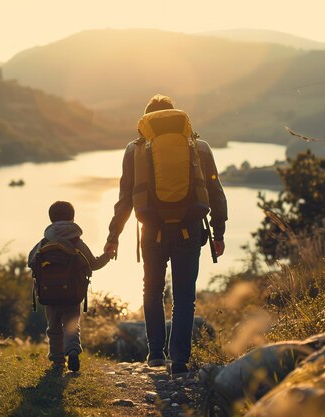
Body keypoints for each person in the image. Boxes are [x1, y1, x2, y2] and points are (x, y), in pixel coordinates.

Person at [104, 95, 227, 377]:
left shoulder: (133, 150)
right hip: (189, 230)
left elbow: (125, 198)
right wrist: (218, 231)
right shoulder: (200, 147)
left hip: (152, 231)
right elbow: (215, 193)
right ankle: (180, 359)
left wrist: (113, 236)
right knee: (185, 296)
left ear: (147, 122)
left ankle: (156, 354)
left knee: (152, 290)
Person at [28, 201, 113, 372]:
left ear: (51, 219)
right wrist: (108, 255)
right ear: (73, 218)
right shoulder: (76, 242)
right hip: (73, 294)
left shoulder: (44, 242)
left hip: (49, 295)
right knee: (72, 325)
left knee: (53, 328)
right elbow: (93, 264)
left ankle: (58, 361)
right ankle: (73, 351)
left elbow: (31, 261)